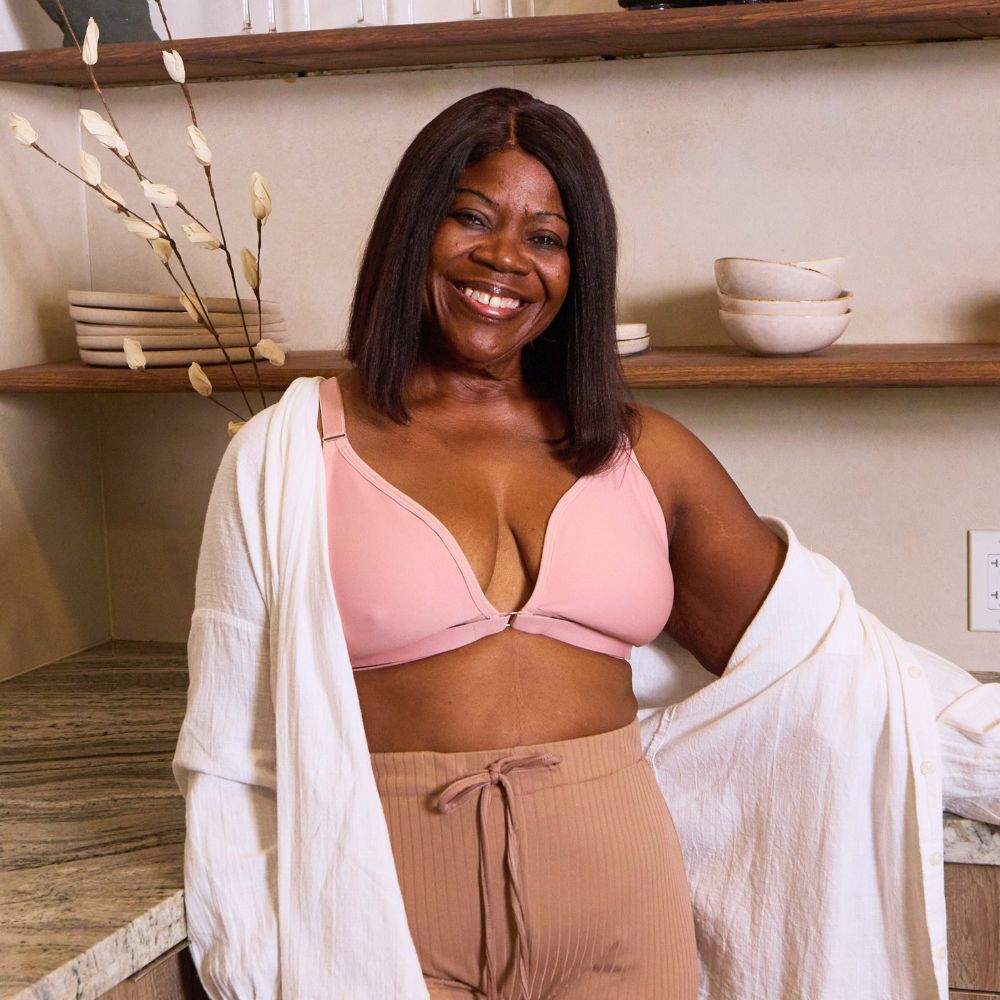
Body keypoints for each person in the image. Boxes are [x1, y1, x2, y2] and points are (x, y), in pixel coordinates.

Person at [173, 87, 999, 1000]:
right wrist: (245, 962)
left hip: (619, 906)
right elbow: (228, 752)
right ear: (415, 231)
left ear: (577, 268)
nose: (504, 259)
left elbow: (826, 655)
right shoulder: (284, 457)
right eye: (471, 218)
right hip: (380, 903)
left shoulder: (643, 453)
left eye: (546, 237)